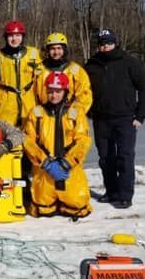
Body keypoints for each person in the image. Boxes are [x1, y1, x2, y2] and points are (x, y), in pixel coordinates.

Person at [84, 29, 145, 209]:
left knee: (125, 157)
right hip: (101, 119)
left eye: (108, 43)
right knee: (105, 158)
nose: (105, 47)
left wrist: (140, 116)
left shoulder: (130, 62)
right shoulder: (91, 65)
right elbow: (83, 91)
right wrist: (88, 112)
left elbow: (144, 88)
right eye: (102, 44)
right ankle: (111, 191)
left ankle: (125, 195)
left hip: (126, 119)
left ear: (115, 43)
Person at [23, 71, 92, 218]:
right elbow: (28, 141)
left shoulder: (76, 113)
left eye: (58, 91)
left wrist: (67, 162)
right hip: (44, 169)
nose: (54, 95)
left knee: (77, 206)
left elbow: (83, 141)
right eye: (50, 91)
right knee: (43, 208)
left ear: (65, 91)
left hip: (69, 169)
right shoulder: (36, 113)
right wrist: (46, 162)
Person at [0, 20, 42, 129]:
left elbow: (41, 78)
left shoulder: (33, 54)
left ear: (22, 36)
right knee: (6, 134)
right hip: (6, 103)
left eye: (18, 35)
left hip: (28, 100)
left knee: (30, 133)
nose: (14, 39)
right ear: (6, 37)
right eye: (11, 36)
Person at [35, 32, 92, 114]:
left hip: (67, 115)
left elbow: (85, 94)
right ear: (48, 50)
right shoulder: (39, 69)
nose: (56, 52)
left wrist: (75, 113)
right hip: (44, 114)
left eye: (59, 48)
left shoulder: (75, 70)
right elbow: (31, 94)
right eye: (52, 49)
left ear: (64, 50)